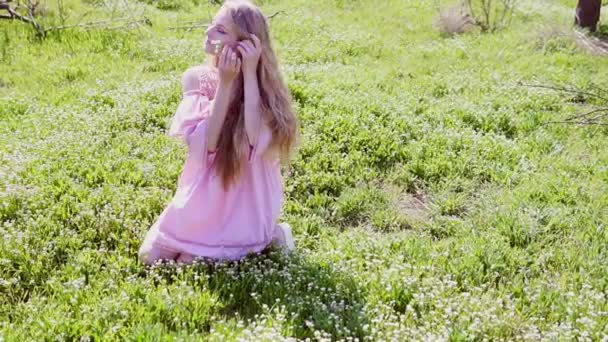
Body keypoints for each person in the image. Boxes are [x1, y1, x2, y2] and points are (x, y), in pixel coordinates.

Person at [138, 0, 299, 265]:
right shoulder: (198, 78)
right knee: (150, 258)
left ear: (246, 44)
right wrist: (224, 85)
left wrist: (247, 74)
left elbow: (253, 139)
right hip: (204, 198)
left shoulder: (266, 91)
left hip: (245, 205)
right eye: (212, 25)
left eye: (220, 31)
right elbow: (207, 146)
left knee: (186, 264)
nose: (208, 32)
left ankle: (274, 234)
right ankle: (226, 237)